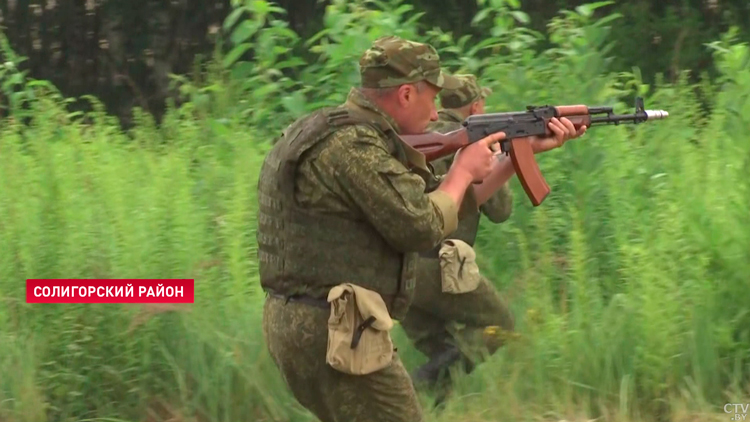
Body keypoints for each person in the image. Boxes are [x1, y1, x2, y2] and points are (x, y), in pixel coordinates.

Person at [256, 35, 585, 422]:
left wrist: (516, 158)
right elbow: (423, 225)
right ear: (407, 94)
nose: (435, 114)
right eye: (432, 99)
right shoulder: (355, 146)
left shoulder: (337, 132)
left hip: (309, 325)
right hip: (336, 331)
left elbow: (443, 206)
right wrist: (461, 169)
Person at [400, 74, 516, 402]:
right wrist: (504, 158)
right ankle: (414, 387)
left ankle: (423, 404)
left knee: (447, 355)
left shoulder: (415, 135)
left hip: (398, 268)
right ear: (477, 106)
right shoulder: (467, 144)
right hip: (439, 267)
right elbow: (501, 210)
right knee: (500, 325)